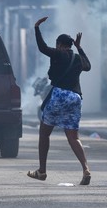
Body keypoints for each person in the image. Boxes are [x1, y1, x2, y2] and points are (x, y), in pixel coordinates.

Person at [28, 16, 92, 185]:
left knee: (44, 133)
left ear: (59, 44)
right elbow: (88, 66)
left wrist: (36, 28)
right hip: (76, 98)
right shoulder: (77, 58)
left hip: (60, 96)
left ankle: (42, 171)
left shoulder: (58, 53)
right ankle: (86, 169)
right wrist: (80, 48)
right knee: (73, 137)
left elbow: (42, 47)